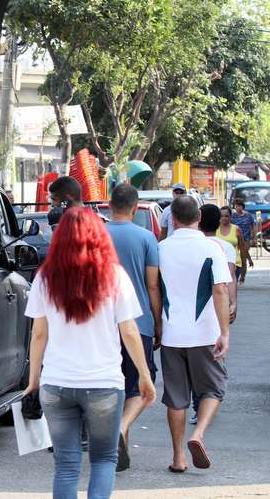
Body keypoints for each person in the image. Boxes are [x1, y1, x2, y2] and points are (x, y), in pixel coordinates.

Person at [23, 207, 156, 498]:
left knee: (66, 464)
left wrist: (34, 380)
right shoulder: (114, 276)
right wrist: (144, 376)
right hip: (104, 384)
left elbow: (39, 334)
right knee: (103, 459)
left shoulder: (46, 278)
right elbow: (130, 331)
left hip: (56, 384)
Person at [158, 197, 230, 472]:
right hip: (205, 333)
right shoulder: (211, 248)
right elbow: (220, 290)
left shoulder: (161, 248)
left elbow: (155, 289)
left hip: (171, 333)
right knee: (213, 388)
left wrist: (157, 325)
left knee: (176, 398)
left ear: (173, 219)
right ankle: (198, 433)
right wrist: (224, 332)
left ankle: (178, 458)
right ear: (199, 216)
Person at [105, 184, 162, 472]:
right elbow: (152, 285)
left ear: (109, 204)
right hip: (137, 323)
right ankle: (122, 427)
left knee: (112, 385)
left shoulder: (97, 236)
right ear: (136, 207)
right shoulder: (146, 237)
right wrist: (157, 321)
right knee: (142, 381)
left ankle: (121, 444)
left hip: (101, 325)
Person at [190, 204, 238, 425]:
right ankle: (206, 404)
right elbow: (229, 278)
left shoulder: (192, 244)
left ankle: (197, 404)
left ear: (199, 221)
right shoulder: (224, 246)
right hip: (215, 311)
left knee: (191, 362)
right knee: (216, 357)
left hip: (191, 310)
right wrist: (232, 303)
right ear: (219, 223)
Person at [218, 205, 253, 284]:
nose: (224, 218)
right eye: (222, 216)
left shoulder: (236, 229)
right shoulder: (215, 230)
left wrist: (249, 259)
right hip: (220, 264)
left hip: (235, 264)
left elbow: (242, 247)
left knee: (230, 290)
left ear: (231, 217)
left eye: (226, 216)